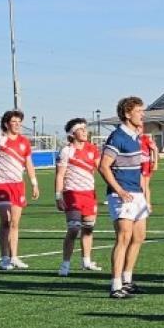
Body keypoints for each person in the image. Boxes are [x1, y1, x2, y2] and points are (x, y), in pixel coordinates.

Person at [99, 96, 151, 299]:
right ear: (128, 114)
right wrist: (119, 190)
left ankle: (127, 280)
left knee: (139, 237)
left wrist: (144, 194)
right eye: (139, 111)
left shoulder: (135, 136)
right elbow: (103, 166)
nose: (142, 114)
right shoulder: (117, 136)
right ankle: (115, 285)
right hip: (122, 195)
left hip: (136, 193)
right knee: (123, 237)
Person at [0, 110, 38, 270]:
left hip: (18, 185)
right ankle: (4, 258)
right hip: (1, 184)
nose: (18, 125)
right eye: (14, 122)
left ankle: (14, 257)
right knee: (5, 221)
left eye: (19, 122)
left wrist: (34, 183)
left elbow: (29, 164)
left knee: (15, 222)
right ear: (7, 124)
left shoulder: (24, 142)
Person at [55, 118, 103, 276]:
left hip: (89, 193)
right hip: (72, 193)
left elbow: (101, 168)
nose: (85, 131)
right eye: (81, 129)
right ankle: (65, 264)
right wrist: (58, 196)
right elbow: (60, 175)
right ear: (72, 133)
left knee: (88, 229)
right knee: (74, 228)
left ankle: (86, 261)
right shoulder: (66, 151)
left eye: (85, 128)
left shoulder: (92, 149)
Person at [139, 132, 157, 206]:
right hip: (137, 164)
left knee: (144, 185)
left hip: (146, 164)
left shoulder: (145, 138)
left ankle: (147, 204)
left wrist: (155, 163)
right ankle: (143, 204)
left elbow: (155, 149)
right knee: (140, 185)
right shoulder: (133, 138)